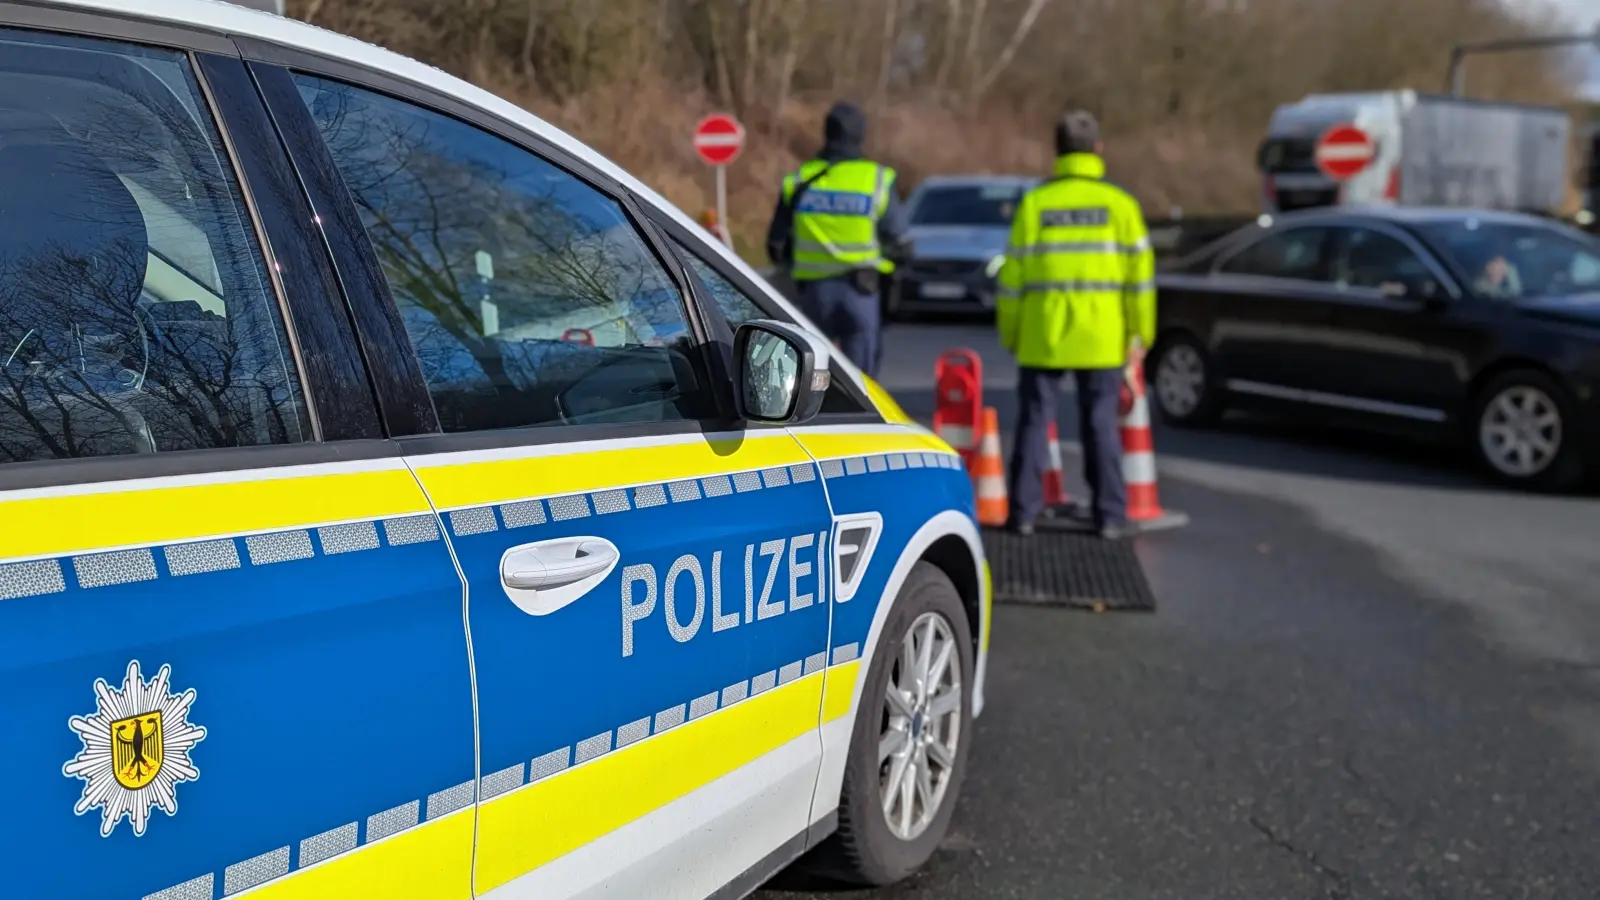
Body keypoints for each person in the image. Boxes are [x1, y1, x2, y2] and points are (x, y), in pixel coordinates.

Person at [997, 110, 1155, 540]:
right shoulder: (1121, 206)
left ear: (1058, 152)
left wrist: (1011, 334)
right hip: (1103, 337)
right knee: (1100, 425)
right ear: (1097, 149)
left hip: (1043, 336)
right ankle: (1109, 516)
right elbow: (1140, 282)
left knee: (1032, 422)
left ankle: (1023, 514)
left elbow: (1011, 281)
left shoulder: (1035, 205)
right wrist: (1140, 336)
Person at [765, 101, 910, 376]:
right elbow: (900, 241)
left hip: (812, 297)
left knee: (808, 375)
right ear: (861, 135)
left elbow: (776, 245)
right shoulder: (877, 179)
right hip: (861, 293)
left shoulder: (800, 180)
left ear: (827, 133)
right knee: (863, 385)